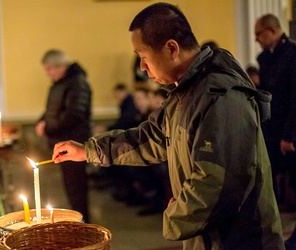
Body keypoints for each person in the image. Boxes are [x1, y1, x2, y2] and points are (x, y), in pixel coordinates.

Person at [52, 3, 284, 249]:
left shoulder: (221, 96)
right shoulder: (185, 93)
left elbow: (218, 183)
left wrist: (176, 214)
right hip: (206, 238)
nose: (141, 67)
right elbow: (151, 137)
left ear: (171, 48)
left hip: (239, 240)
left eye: (143, 56)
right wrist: (88, 150)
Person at [35, 49, 92, 222]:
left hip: (75, 143)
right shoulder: (59, 83)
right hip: (62, 142)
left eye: (49, 69)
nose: (48, 73)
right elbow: (52, 109)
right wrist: (42, 120)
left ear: (60, 66)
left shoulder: (77, 84)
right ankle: (77, 222)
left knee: (77, 189)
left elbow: (74, 114)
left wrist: (48, 127)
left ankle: (83, 226)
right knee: (70, 187)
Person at [255, 13, 296, 248]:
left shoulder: (292, 54)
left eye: (258, 34)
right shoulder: (266, 58)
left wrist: (289, 136)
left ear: (271, 31)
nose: (257, 39)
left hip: (288, 132)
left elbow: (294, 99)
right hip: (271, 130)